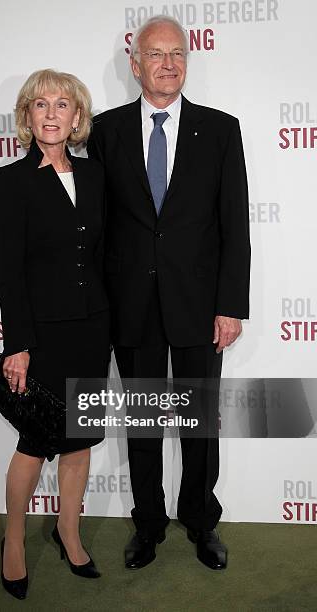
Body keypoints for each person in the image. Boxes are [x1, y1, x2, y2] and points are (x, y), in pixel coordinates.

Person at [87, 16, 250, 571]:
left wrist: (231, 304)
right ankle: (149, 525)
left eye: (177, 53)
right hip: (131, 308)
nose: (168, 63)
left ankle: (202, 521)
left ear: (188, 60)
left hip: (201, 309)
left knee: (199, 423)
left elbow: (235, 224)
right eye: (155, 54)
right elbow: (98, 226)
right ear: (135, 64)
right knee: (143, 426)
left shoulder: (221, 129)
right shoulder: (105, 133)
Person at [0, 69, 110, 599]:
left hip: (91, 329)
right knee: (35, 443)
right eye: (41, 105)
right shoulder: (9, 182)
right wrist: (17, 343)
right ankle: (14, 542)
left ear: (77, 117)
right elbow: (7, 271)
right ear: (28, 116)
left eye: (63, 104)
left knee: (79, 442)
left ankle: (68, 530)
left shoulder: (97, 176)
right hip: (41, 337)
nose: (52, 113)